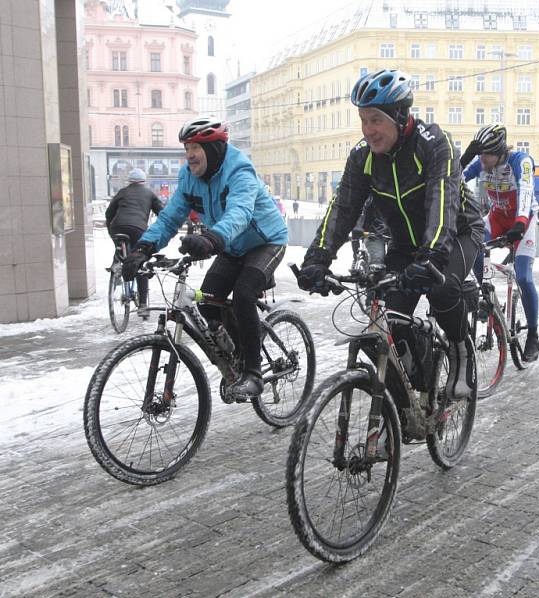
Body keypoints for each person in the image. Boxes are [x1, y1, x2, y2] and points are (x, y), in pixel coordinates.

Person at [296, 69, 484, 398]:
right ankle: (413, 385)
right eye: (363, 120)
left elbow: (443, 202)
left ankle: (459, 349)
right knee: (387, 319)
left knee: (442, 291)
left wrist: (432, 258)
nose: (368, 130)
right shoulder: (362, 157)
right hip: (406, 245)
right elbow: (343, 209)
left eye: (375, 120)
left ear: (399, 116)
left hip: (456, 235)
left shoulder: (434, 144)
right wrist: (317, 259)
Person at [121, 116, 288, 400]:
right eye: (186, 149)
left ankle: (254, 373)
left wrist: (211, 239)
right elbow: (171, 215)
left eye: (195, 148)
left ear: (212, 149)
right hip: (232, 246)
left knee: (245, 295)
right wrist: (143, 248)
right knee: (208, 303)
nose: (189, 156)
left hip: (266, 241)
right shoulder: (189, 176)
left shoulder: (239, 171)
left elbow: (240, 213)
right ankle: (237, 353)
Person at [461, 124, 539, 362]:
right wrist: (465, 157)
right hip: (496, 218)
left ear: (499, 151)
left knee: (524, 277)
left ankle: (533, 335)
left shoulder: (520, 161)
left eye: (485, 154)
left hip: (523, 220)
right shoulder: (481, 163)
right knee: (471, 247)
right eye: (478, 154)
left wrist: (519, 224)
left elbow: (526, 192)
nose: (481, 159)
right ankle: (487, 295)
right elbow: (448, 180)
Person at [105, 168, 163, 318]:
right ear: (143, 181)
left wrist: (110, 229)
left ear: (129, 181)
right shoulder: (149, 194)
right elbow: (162, 213)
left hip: (118, 226)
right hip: (138, 228)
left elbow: (108, 213)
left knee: (120, 246)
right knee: (139, 261)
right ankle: (143, 305)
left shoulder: (122, 192)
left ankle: (117, 264)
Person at [350, 196, 389, 270]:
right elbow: (361, 213)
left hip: (395, 233)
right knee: (377, 264)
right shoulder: (369, 197)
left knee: (397, 263)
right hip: (374, 234)